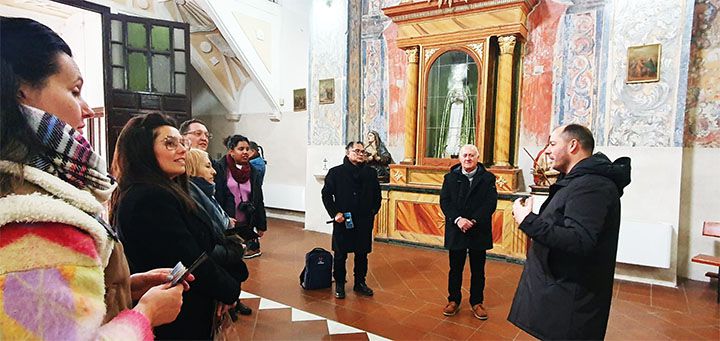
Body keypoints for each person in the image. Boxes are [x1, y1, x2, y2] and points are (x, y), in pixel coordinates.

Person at [0, 17, 185, 339]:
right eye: (75, 91)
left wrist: (122, 286)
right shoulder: (34, 219)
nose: (86, 109)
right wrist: (146, 314)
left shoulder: (38, 188)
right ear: (20, 94)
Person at [110, 113, 242, 339]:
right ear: (144, 151)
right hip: (177, 313)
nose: (182, 150)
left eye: (181, 143)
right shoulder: (148, 197)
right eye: (169, 144)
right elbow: (190, 260)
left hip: (187, 304)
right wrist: (230, 290)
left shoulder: (166, 189)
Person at [508, 124, 631, 340]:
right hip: (562, 291)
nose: (547, 150)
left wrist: (527, 220)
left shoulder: (592, 185)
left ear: (573, 145)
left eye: (553, 143)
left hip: (571, 299)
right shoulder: (580, 181)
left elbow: (580, 240)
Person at [185, 148, 253, 317]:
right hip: (214, 266)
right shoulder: (192, 197)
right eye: (207, 166)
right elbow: (204, 246)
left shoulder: (205, 192)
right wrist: (235, 250)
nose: (213, 171)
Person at [439, 144, 497, 320]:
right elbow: (445, 202)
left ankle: (477, 302)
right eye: (465, 155)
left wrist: (473, 221)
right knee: (455, 268)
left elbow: (490, 204)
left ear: (477, 158)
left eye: (472, 155)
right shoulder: (450, 178)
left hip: (478, 229)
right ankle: (453, 300)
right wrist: (458, 220)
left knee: (478, 270)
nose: (468, 158)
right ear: (460, 158)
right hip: (457, 229)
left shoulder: (488, 178)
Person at [321, 141, 381, 299]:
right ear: (348, 153)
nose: (361, 154)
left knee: (362, 254)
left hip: (364, 221)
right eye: (357, 151)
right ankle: (340, 283)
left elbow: (377, 196)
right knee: (340, 254)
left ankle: (360, 282)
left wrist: (372, 212)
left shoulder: (370, 173)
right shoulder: (336, 173)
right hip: (343, 220)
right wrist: (335, 213)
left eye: (363, 152)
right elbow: (326, 195)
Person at [214, 135, 267, 259]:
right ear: (231, 151)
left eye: (247, 149)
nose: (245, 152)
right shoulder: (220, 168)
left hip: (246, 219)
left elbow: (258, 199)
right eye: (241, 149)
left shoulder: (253, 171)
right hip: (227, 219)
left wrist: (261, 224)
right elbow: (216, 197)